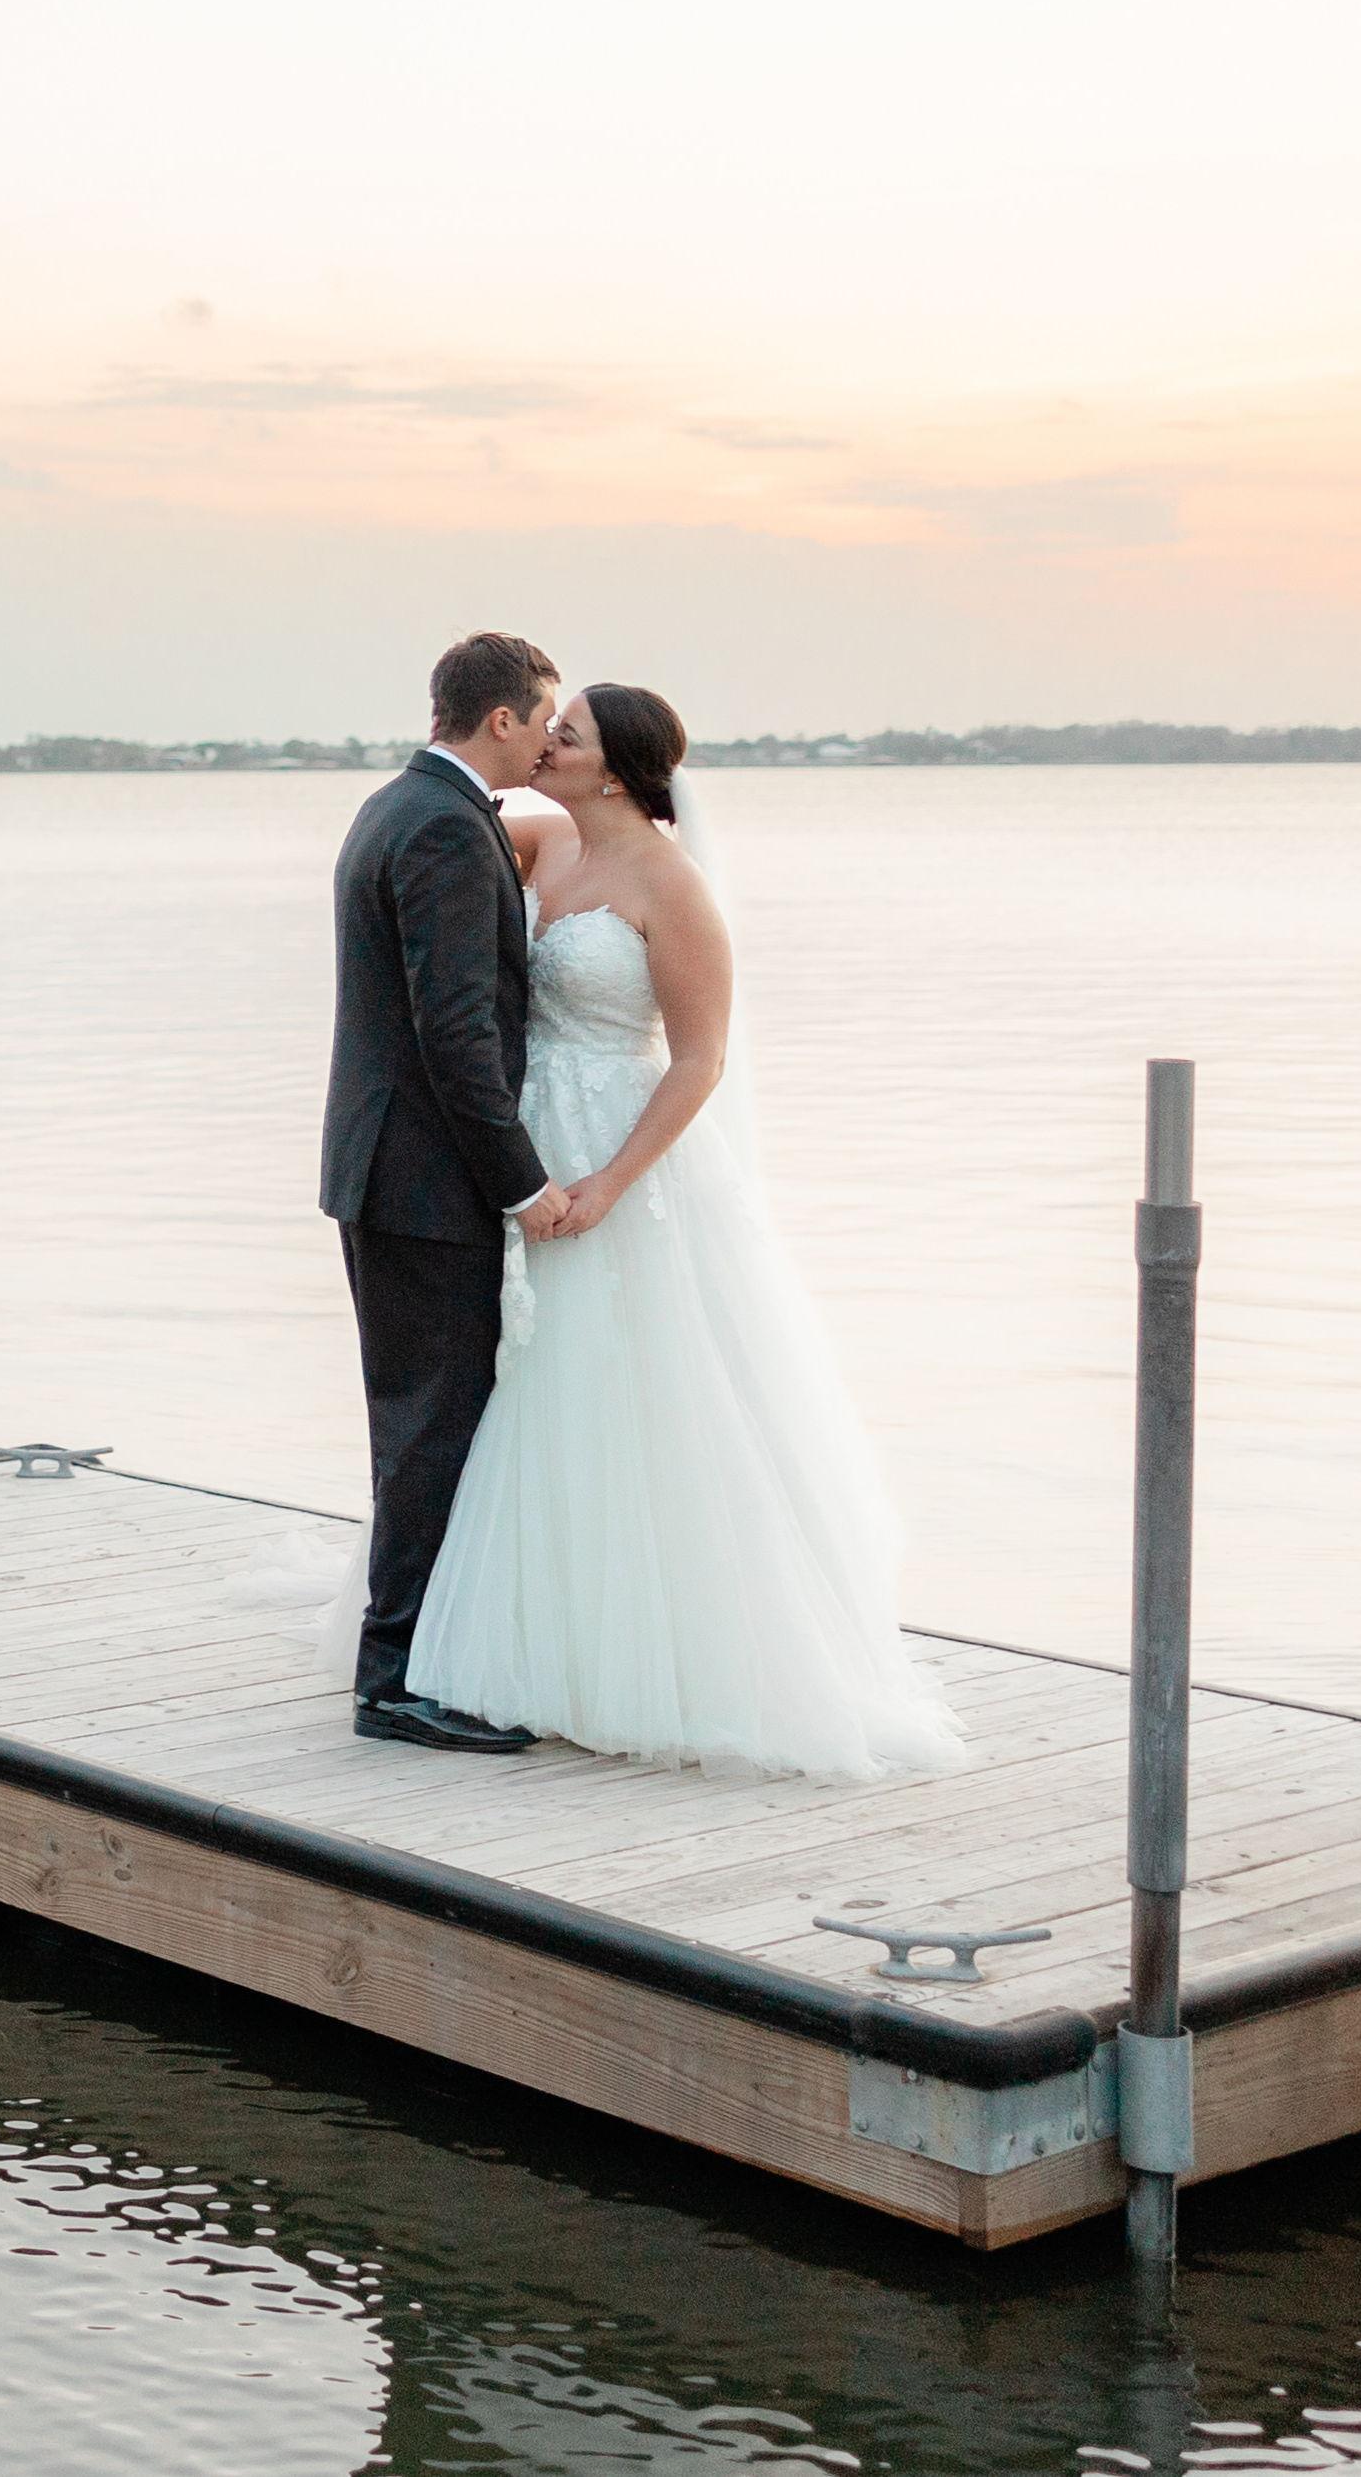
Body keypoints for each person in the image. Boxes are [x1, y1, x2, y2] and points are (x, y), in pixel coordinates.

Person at [405, 680, 965, 1778]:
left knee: (612, 1380)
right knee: (515, 1378)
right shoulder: (535, 842)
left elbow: (699, 1059)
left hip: (617, 1150)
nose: (545, 743)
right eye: (547, 728)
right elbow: (439, 844)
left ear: (617, 769)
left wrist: (611, 1183)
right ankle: (515, 1630)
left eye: (566, 735)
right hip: (520, 1142)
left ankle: (639, 1656)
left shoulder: (672, 885)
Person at [318, 630, 569, 1751]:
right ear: (500, 717)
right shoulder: (443, 828)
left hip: (387, 1168)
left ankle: (413, 1662)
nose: (548, 741)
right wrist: (521, 1182)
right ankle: (394, 1684)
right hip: (421, 1181)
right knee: (428, 1431)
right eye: (543, 720)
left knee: (416, 1424)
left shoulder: (402, 805)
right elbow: (455, 1033)